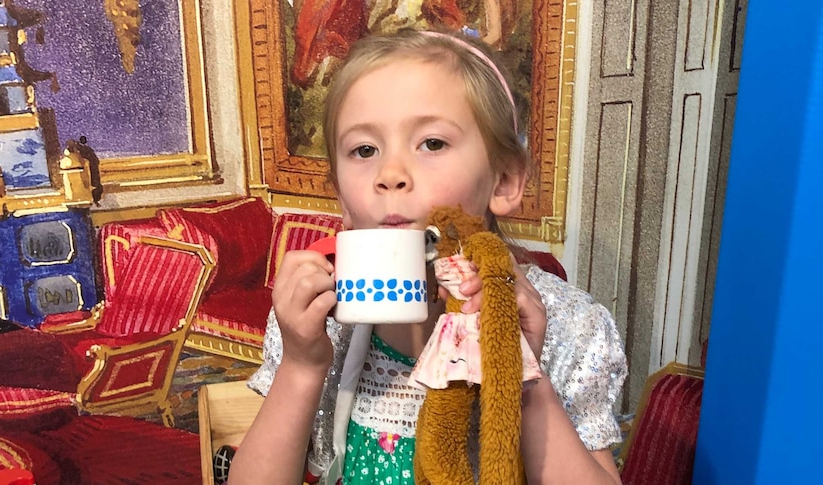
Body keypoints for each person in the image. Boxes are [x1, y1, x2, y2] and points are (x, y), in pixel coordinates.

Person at [228, 28, 627, 484]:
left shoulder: (570, 327)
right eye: (364, 150)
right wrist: (302, 366)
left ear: (503, 181)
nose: (390, 174)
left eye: (432, 143)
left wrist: (525, 380)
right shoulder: (319, 325)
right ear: (342, 198)